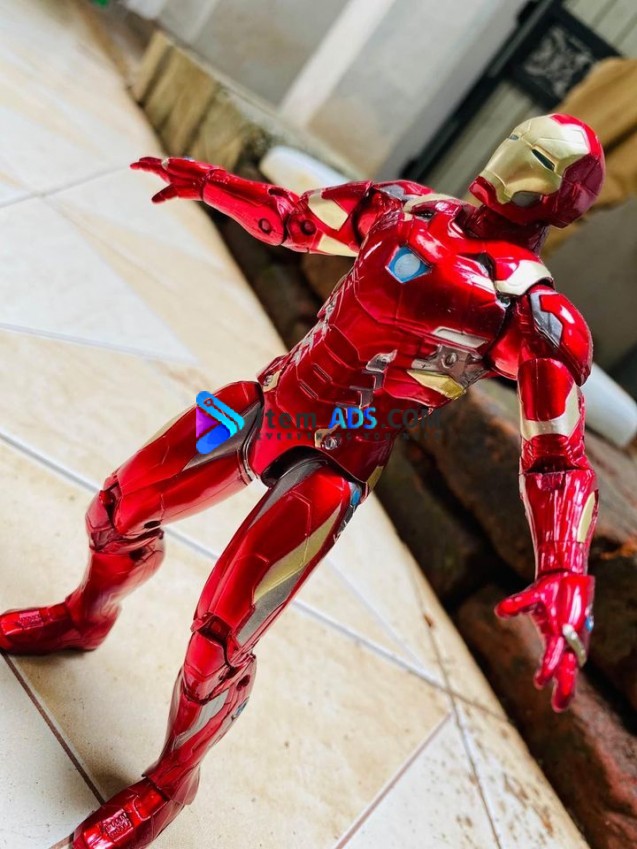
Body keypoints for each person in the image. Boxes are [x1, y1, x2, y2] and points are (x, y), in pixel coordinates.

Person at [0, 114, 603, 849]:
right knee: (116, 509)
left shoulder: (533, 314)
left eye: (539, 160)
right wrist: (213, 185)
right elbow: (293, 218)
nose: (511, 161)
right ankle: (85, 615)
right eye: (519, 141)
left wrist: (564, 566)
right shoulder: (406, 206)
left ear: (562, 198)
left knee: (219, 639)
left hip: (334, 466)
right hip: (261, 403)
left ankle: (170, 781)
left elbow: (557, 457)